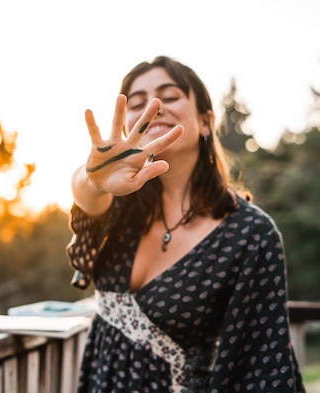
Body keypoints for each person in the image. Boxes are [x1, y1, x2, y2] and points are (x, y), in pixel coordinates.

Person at [66, 56, 306, 393]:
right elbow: (86, 199)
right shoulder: (120, 205)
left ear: (206, 121)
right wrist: (94, 180)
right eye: (138, 103)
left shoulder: (251, 234)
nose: (154, 107)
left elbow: (262, 363)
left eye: (170, 95)